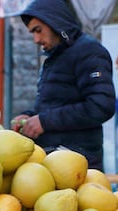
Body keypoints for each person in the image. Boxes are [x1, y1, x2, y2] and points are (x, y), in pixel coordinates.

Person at [11, 0, 116, 171]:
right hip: (53, 160)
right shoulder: (56, 55)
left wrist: (44, 121)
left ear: (55, 22)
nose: (36, 39)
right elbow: (55, 103)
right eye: (32, 33)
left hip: (78, 165)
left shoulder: (89, 51)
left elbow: (101, 106)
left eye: (38, 30)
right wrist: (29, 116)